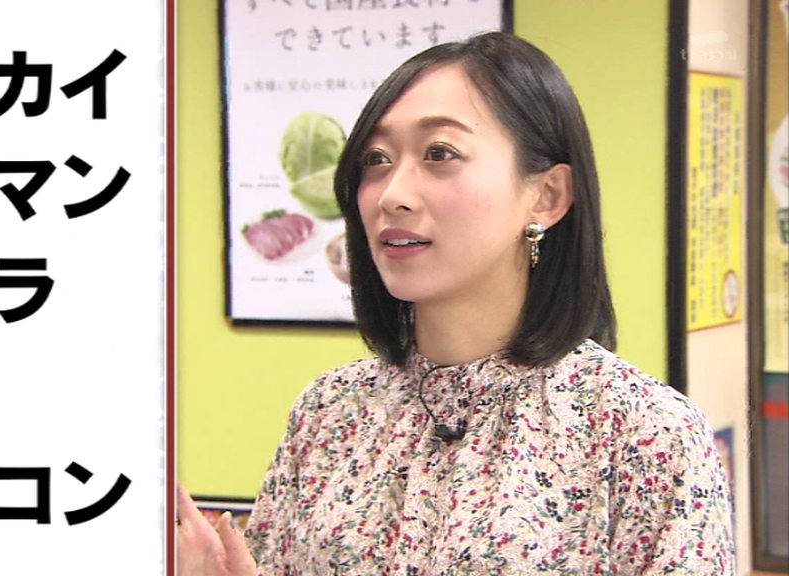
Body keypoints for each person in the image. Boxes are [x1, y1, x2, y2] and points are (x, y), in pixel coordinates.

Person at [177, 31, 734, 575]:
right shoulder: (329, 412)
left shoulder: (643, 431)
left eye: (440, 153)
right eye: (376, 159)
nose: (392, 194)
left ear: (547, 196)